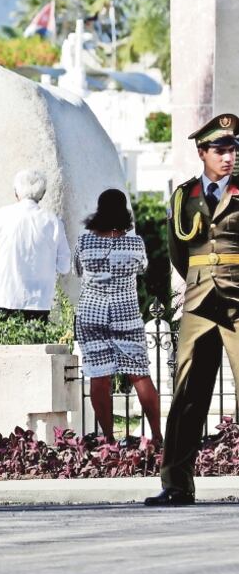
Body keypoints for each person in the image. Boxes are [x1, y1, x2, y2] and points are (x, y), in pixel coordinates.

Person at [146, 113, 239, 507]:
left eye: (233, 149)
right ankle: (177, 484)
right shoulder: (184, 196)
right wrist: (203, 281)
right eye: (220, 149)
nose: (228, 156)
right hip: (200, 302)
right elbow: (178, 254)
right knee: (187, 395)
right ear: (202, 152)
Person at [74, 189, 162, 445]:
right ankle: (157, 436)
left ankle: (109, 439)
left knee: (99, 375)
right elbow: (143, 268)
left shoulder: (84, 242)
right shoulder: (135, 244)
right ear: (124, 212)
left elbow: (78, 270)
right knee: (139, 374)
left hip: (91, 314)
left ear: (99, 211)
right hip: (127, 315)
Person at [0, 169, 71, 321]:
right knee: (34, 344)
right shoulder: (53, 222)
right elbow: (64, 266)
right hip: (38, 305)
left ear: (16, 192)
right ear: (43, 194)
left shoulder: (2, 215)